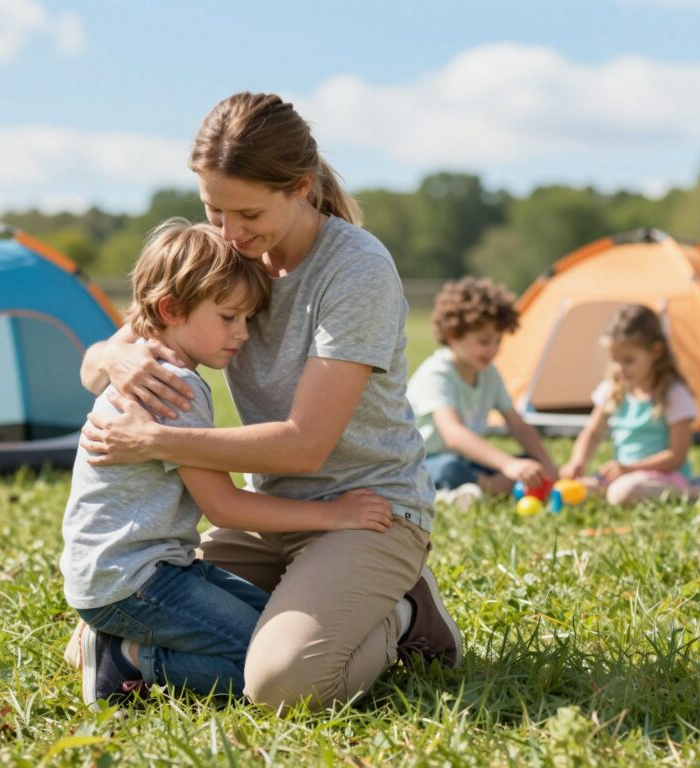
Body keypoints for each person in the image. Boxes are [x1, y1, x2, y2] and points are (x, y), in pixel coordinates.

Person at [74, 93, 463, 712]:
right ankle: (319, 605)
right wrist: (117, 357)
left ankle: (403, 614)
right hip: (264, 512)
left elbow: (306, 445)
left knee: (283, 684)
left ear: (300, 187)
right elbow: (98, 360)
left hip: (365, 511)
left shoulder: (355, 269)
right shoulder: (229, 255)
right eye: (213, 209)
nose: (229, 232)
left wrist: (153, 440)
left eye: (247, 212)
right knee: (97, 636)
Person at [62, 219, 395, 710]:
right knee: (262, 665)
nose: (242, 334)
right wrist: (336, 515)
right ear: (171, 309)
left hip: (143, 571)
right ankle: (129, 659)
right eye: (228, 318)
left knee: (270, 626)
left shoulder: (152, 367)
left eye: (248, 319)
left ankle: (127, 647)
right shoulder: (176, 388)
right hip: (135, 583)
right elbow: (224, 508)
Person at [407, 277, 558, 508]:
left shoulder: (489, 373)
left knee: (528, 463)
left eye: (498, 340)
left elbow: (517, 425)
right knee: (450, 468)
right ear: (453, 335)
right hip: (421, 463)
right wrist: (507, 465)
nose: (494, 349)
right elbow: (453, 434)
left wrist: (547, 466)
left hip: (467, 463)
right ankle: (480, 490)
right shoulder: (437, 373)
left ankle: (480, 489)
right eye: (484, 341)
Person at [559, 303, 699, 506]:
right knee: (571, 492)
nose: (619, 368)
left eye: (628, 360)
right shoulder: (613, 390)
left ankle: (696, 492)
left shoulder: (674, 394)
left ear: (655, 351)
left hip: (662, 477)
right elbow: (593, 432)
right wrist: (577, 462)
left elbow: (677, 455)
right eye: (614, 360)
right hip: (623, 476)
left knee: (624, 492)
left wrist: (630, 468)